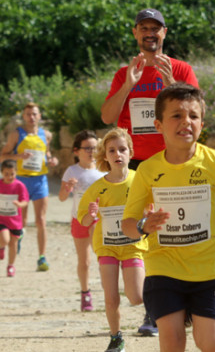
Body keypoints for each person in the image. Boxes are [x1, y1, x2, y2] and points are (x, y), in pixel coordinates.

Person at [121, 82, 215, 352]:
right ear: (159, 125)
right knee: (172, 341)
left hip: (209, 269)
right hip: (164, 268)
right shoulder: (148, 170)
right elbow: (128, 225)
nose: (186, 121)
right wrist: (143, 225)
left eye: (193, 116)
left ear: (202, 123)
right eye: (176, 115)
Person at [77, 128, 150, 352]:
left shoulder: (140, 180)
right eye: (112, 150)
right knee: (111, 297)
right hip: (107, 247)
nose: (117, 154)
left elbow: (154, 207)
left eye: (122, 149)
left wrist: (149, 213)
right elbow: (84, 220)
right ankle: (116, 337)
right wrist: (91, 214)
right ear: (105, 156)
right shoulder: (98, 187)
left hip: (133, 247)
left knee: (136, 297)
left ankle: (155, 304)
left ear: (130, 152)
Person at [101, 8, 199, 170]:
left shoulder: (182, 69)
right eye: (144, 28)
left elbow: (199, 112)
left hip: (172, 158)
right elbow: (107, 117)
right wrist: (128, 85)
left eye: (155, 29)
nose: (149, 34)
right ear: (135, 33)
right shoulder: (124, 74)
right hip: (132, 161)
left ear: (164, 32)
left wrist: (171, 85)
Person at [0, 102, 59, 271]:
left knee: (41, 220)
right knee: (22, 221)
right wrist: (18, 156)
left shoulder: (45, 134)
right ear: (24, 116)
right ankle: (14, 243)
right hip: (21, 182)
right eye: (28, 114)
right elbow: (2, 156)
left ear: (39, 116)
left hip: (40, 181)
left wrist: (52, 160)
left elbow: (46, 154)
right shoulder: (16, 134)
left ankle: (42, 257)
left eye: (34, 114)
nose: (31, 117)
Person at [58, 130, 105, 312]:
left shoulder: (103, 169)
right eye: (87, 148)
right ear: (77, 151)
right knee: (84, 261)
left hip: (97, 219)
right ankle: (85, 293)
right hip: (78, 219)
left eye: (94, 147)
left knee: (100, 254)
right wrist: (67, 188)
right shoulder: (71, 171)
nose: (91, 151)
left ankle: (108, 289)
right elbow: (62, 197)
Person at [0, 160, 29, 277]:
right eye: (6, 174)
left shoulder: (19, 186)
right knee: (5, 239)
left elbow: (25, 201)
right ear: (2, 173)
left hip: (15, 221)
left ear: (16, 173)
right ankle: (1, 246)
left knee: (13, 244)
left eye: (12, 174)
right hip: (2, 219)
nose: (9, 177)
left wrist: (19, 204)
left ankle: (11, 265)